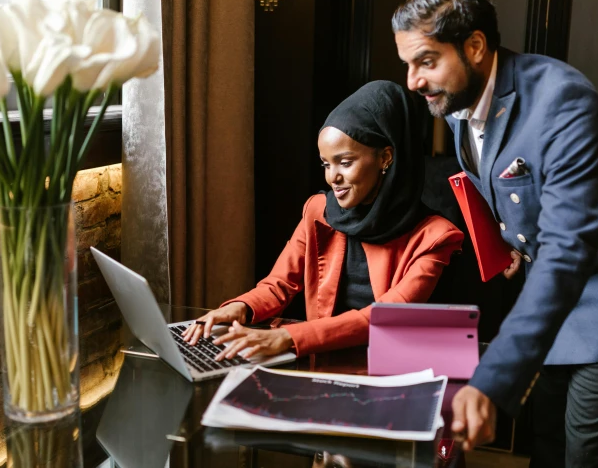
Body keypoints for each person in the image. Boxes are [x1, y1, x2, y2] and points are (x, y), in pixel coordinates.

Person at [392, 0, 598, 467]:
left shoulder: (564, 104)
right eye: (407, 64)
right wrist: (510, 244)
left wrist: (490, 382)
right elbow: (499, 182)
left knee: (585, 454)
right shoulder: (458, 99)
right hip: (546, 291)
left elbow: (568, 250)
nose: (413, 81)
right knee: (546, 445)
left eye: (425, 61)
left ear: (475, 46)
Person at [183, 80, 464, 360]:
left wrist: (287, 337)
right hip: (321, 356)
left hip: (390, 368)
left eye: (345, 162)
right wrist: (240, 307)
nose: (332, 178)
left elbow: (384, 317)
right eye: (326, 164)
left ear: (385, 158)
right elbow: (279, 284)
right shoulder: (318, 211)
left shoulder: (436, 237)